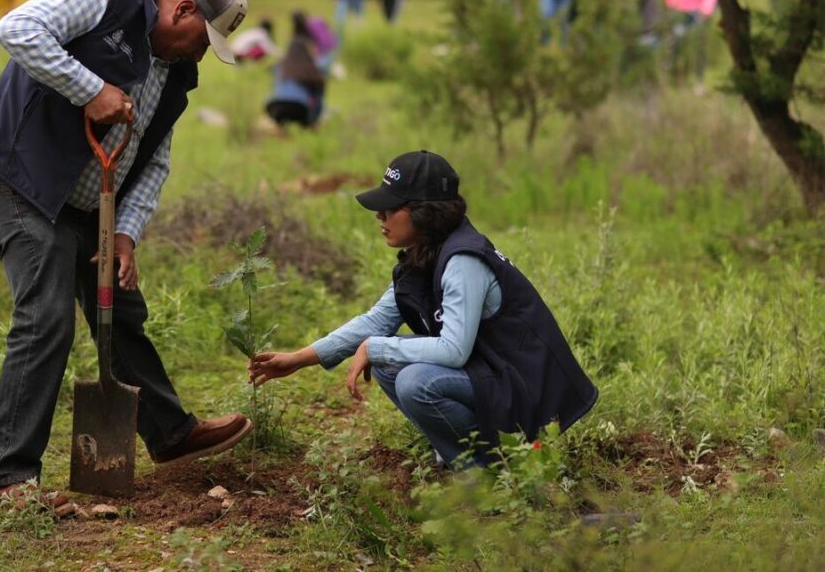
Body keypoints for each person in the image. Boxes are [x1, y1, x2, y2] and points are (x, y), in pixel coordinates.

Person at [0, 0, 253, 514]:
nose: (198, 55)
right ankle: (10, 478)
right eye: (201, 41)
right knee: (47, 316)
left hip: (90, 205)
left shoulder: (174, 69)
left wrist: (124, 231)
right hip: (20, 183)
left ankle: (170, 433)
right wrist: (90, 89)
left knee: (119, 310)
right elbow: (16, 30)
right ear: (182, 10)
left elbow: (155, 157)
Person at [249, 151, 598, 469]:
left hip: (525, 391)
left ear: (424, 212)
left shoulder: (463, 260)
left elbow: (453, 350)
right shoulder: (426, 253)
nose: (380, 216)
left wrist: (375, 346)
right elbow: (377, 321)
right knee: (390, 364)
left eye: (392, 207)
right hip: (493, 373)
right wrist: (299, 358)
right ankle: (463, 455)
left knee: (415, 381)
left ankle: (485, 476)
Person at [662, 0, 716, 86]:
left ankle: (699, 79)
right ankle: (673, 76)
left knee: (698, 44)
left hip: (697, 11)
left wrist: (707, 7)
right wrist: (671, 5)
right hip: (678, 10)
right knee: (674, 42)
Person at [264, 11, 327, 128]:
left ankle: (281, 126)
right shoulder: (309, 68)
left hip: (275, 106)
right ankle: (312, 123)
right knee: (316, 93)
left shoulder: (281, 66)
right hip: (299, 108)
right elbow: (319, 91)